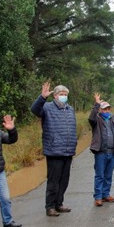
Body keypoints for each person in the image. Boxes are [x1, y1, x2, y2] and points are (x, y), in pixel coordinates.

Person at [31, 82, 77, 216]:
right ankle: (50, 206)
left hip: (68, 151)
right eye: (61, 94)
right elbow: (35, 110)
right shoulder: (47, 107)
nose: (64, 96)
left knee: (64, 180)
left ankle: (59, 203)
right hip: (54, 151)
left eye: (65, 95)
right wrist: (42, 97)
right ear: (55, 96)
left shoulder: (70, 109)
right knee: (53, 181)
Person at [89, 93, 114, 207]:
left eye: (108, 108)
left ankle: (106, 194)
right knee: (100, 175)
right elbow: (91, 118)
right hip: (101, 152)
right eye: (104, 109)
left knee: (108, 175)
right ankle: (98, 197)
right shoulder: (96, 120)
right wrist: (97, 104)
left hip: (111, 152)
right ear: (100, 110)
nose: (107, 111)